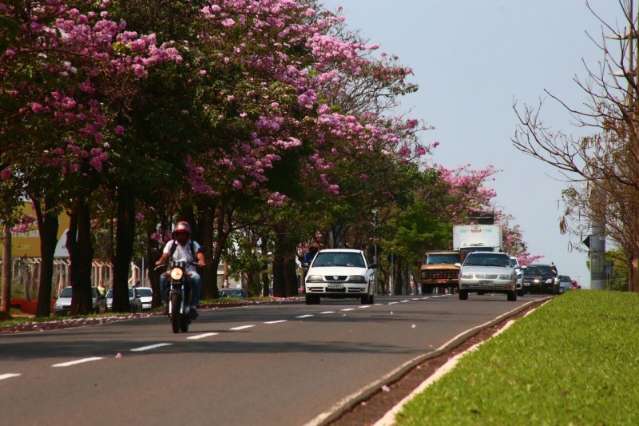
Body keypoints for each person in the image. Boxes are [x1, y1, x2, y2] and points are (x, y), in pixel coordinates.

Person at [155, 221, 206, 318]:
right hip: (174, 271)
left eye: (183, 234)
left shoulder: (193, 244)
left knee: (197, 278)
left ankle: (193, 306)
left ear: (188, 235)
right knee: (162, 278)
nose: (181, 236)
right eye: (179, 234)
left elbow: (200, 255)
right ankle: (166, 303)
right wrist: (160, 261)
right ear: (175, 234)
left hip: (189, 272)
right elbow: (165, 255)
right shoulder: (171, 244)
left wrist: (201, 261)